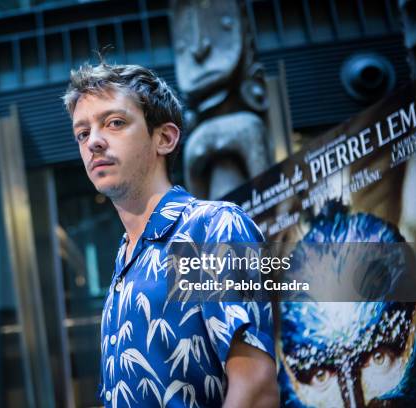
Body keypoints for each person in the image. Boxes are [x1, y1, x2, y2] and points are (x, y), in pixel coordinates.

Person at [63, 62, 278, 407]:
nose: (94, 143)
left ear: (164, 138)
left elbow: (255, 390)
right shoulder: (126, 259)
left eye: (114, 123)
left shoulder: (206, 228)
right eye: (82, 133)